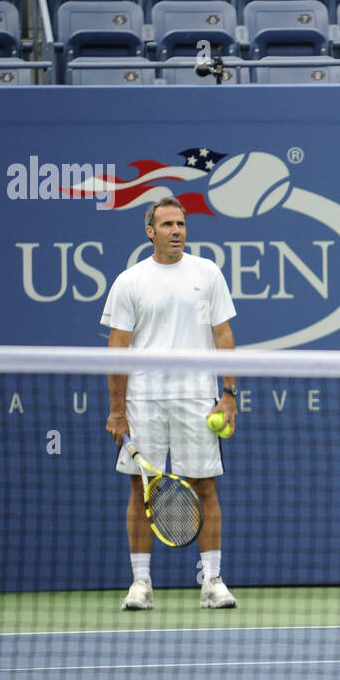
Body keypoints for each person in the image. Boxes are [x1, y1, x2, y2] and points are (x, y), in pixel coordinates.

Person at [102, 196, 240, 611]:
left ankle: (213, 581)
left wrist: (228, 394)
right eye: (167, 225)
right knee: (142, 488)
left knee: (205, 487)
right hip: (144, 399)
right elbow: (117, 348)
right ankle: (141, 583)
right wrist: (117, 409)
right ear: (150, 231)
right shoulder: (130, 282)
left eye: (180, 224)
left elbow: (224, 335)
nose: (176, 231)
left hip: (197, 398)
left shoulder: (207, 273)